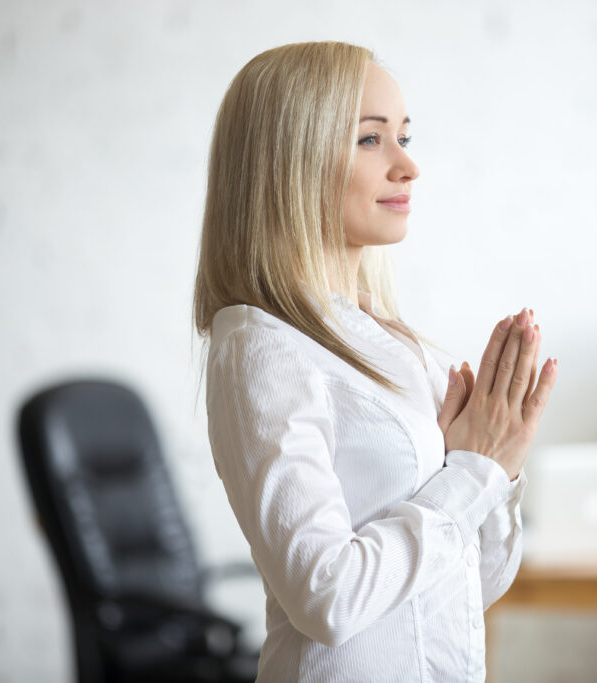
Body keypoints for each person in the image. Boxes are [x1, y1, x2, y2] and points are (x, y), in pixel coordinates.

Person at [193, 41, 558, 682]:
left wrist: (496, 467)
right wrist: (473, 471)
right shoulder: (263, 347)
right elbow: (326, 597)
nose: (408, 165)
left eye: (405, 137)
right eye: (370, 140)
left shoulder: (385, 344)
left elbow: (475, 584)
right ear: (289, 162)